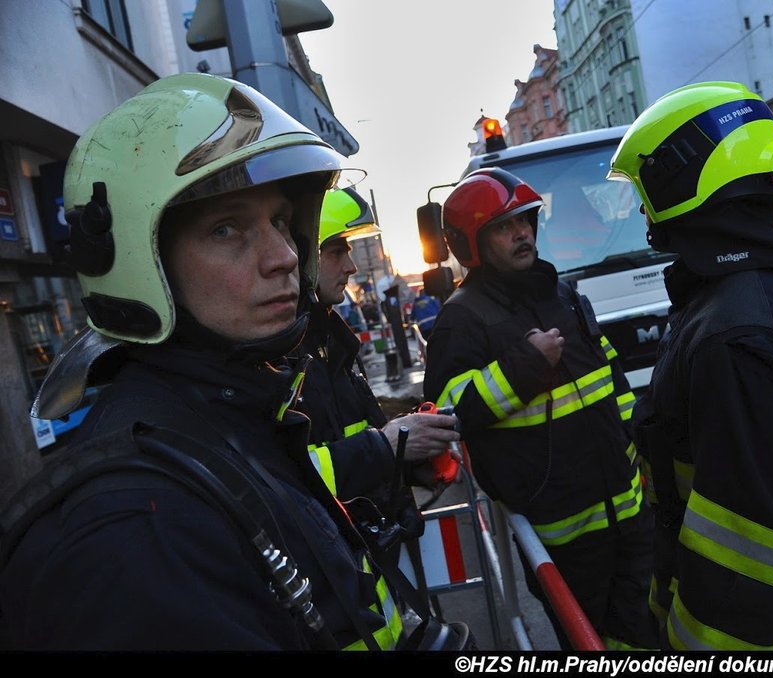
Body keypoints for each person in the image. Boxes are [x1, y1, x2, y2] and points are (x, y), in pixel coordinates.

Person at [0, 73, 462, 651]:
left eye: (277, 221)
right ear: (146, 262)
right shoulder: (138, 529)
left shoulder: (236, 414)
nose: (286, 256)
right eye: (226, 229)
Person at [608, 81, 773, 650]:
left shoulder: (737, 329)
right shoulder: (752, 291)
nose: (641, 205)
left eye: (646, 183)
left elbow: (752, 549)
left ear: (683, 175)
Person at [422, 167, 656, 650]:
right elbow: (446, 414)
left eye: (526, 221)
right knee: (588, 641)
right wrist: (521, 369)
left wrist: (642, 450)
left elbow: (610, 379)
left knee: (644, 631)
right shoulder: (461, 322)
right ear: (471, 244)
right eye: (505, 227)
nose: (523, 233)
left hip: (629, 510)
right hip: (562, 535)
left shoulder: (564, 294)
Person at [298, 185, 460, 504]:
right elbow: (291, 481)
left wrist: (409, 461)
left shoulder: (329, 343)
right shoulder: (283, 361)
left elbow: (351, 442)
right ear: (302, 256)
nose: (352, 267)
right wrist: (389, 445)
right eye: (336, 252)